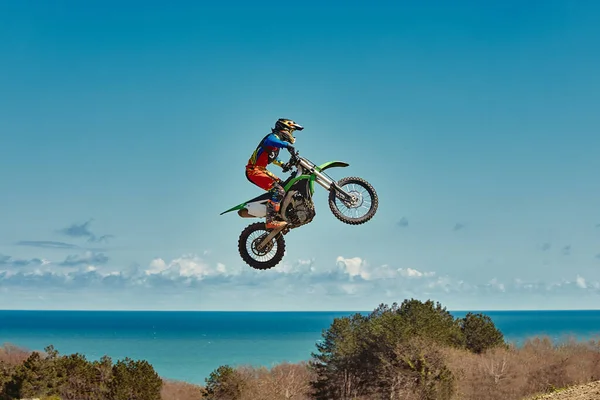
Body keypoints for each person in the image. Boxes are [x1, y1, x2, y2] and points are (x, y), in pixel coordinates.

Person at [246, 118, 304, 230]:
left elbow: (274, 158)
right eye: (291, 131)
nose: (291, 134)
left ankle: (281, 215)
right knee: (278, 191)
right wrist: (287, 145)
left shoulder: (275, 147)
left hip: (262, 170)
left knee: (284, 187)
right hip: (254, 170)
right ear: (284, 129)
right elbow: (270, 141)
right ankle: (270, 221)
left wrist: (284, 165)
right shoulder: (272, 137)